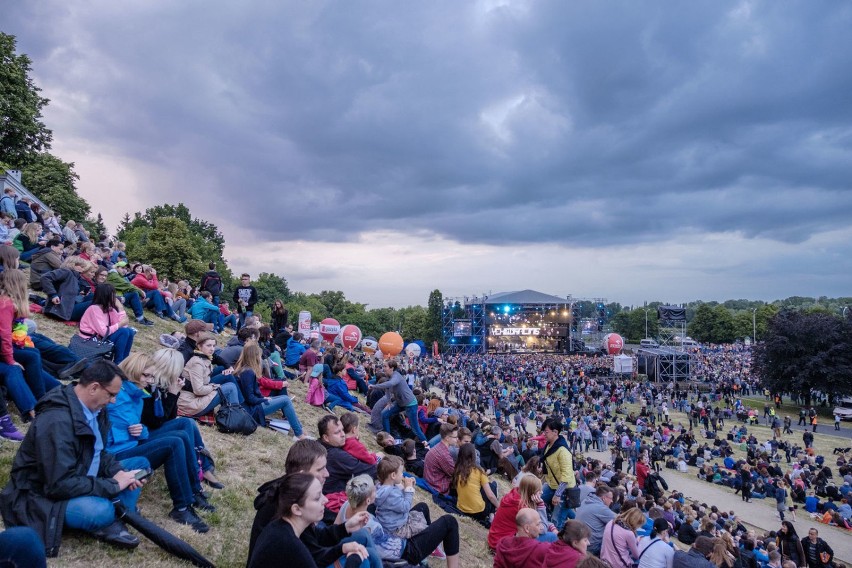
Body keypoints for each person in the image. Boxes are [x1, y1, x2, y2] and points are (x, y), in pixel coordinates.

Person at [0, 360, 151, 556]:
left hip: (82, 475)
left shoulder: (97, 409)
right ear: (94, 388)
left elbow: (100, 452)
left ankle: (115, 516)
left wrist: (118, 473)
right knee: (101, 510)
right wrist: (113, 485)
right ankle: (113, 515)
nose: (113, 401)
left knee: (140, 465)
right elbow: (58, 485)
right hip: (42, 496)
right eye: (112, 395)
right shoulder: (56, 421)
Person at [106, 353, 212, 533]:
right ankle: (182, 507)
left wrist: (140, 430)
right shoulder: (116, 396)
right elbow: (106, 432)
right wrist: (130, 432)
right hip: (116, 454)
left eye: (151, 376)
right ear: (133, 371)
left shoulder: (138, 394)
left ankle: (193, 491)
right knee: (174, 442)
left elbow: (146, 427)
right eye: (146, 375)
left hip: (133, 444)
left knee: (184, 429)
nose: (149, 380)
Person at [248, 473, 370, 568]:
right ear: (296, 509)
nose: (325, 500)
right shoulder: (289, 543)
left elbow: (314, 555)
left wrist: (342, 546)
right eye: (317, 498)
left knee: (363, 545)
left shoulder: (282, 525)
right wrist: (355, 559)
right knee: (364, 562)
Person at [143, 347, 223, 489]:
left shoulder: (162, 385)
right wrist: (173, 394)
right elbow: (157, 422)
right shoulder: (149, 387)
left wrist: (175, 394)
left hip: (152, 430)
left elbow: (171, 417)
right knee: (185, 426)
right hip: (146, 435)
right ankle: (200, 470)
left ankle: (203, 467)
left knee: (188, 423)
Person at [233, 341, 307, 438]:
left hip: (252, 405)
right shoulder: (248, 372)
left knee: (285, 398)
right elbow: (250, 399)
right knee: (285, 400)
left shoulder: (245, 369)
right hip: (252, 410)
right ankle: (299, 434)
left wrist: (263, 398)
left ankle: (300, 429)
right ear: (255, 356)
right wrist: (263, 399)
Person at [177, 332, 241, 418]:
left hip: (195, 398)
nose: (212, 349)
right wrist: (214, 386)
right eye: (209, 346)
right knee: (230, 387)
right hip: (190, 404)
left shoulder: (204, 358)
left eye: (214, 346)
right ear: (199, 346)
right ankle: (236, 417)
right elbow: (198, 390)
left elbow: (218, 360)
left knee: (228, 383)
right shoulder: (197, 362)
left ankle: (235, 414)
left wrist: (227, 367)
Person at [319, 414, 377, 496]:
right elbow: (372, 470)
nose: (343, 434)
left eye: (342, 430)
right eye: (337, 432)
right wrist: (378, 458)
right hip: (335, 499)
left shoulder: (320, 445)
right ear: (326, 438)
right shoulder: (336, 455)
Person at [78, 283, 136, 363]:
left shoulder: (109, 309)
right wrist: (120, 324)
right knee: (124, 332)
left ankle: (123, 361)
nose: (115, 298)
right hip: (90, 340)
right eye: (113, 295)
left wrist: (120, 308)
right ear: (106, 296)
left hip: (100, 338)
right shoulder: (94, 309)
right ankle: (118, 363)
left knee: (129, 331)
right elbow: (104, 332)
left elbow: (124, 324)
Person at [540, 417, 576, 530]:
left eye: (546, 432)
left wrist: (557, 494)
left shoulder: (562, 450)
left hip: (563, 489)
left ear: (555, 432)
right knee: (536, 500)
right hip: (551, 485)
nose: (544, 434)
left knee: (557, 520)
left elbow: (566, 475)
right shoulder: (549, 446)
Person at [452, 442, 499, 526]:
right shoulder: (479, 471)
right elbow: (490, 496)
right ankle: (491, 515)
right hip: (478, 512)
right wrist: (499, 506)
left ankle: (491, 515)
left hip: (461, 508)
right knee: (493, 486)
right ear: (473, 455)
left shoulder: (457, 469)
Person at [575, 484, 616, 556]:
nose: (612, 501)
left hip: (578, 540)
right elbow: (619, 521)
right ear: (604, 498)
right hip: (591, 546)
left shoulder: (586, 500)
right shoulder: (601, 508)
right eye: (611, 498)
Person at [424, 422, 459, 494]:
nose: (457, 439)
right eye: (455, 437)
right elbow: (455, 474)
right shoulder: (443, 454)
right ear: (447, 438)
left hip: (430, 480)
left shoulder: (439, 447)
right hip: (437, 486)